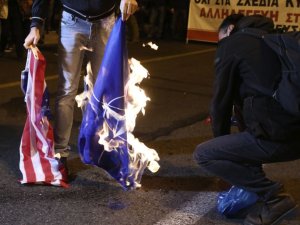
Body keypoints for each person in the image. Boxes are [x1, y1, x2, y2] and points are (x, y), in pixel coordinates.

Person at [193, 14, 300, 225]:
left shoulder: (232, 43)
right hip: (295, 134)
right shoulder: (274, 41)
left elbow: (220, 105)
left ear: (230, 29)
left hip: (278, 138)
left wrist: (224, 147)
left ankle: (275, 197)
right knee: (249, 128)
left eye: (220, 37)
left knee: (204, 154)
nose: (219, 44)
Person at [23, 0, 138, 176]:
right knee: (67, 91)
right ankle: (60, 153)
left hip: (106, 21)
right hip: (72, 21)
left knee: (105, 92)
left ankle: (102, 149)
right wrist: (35, 24)